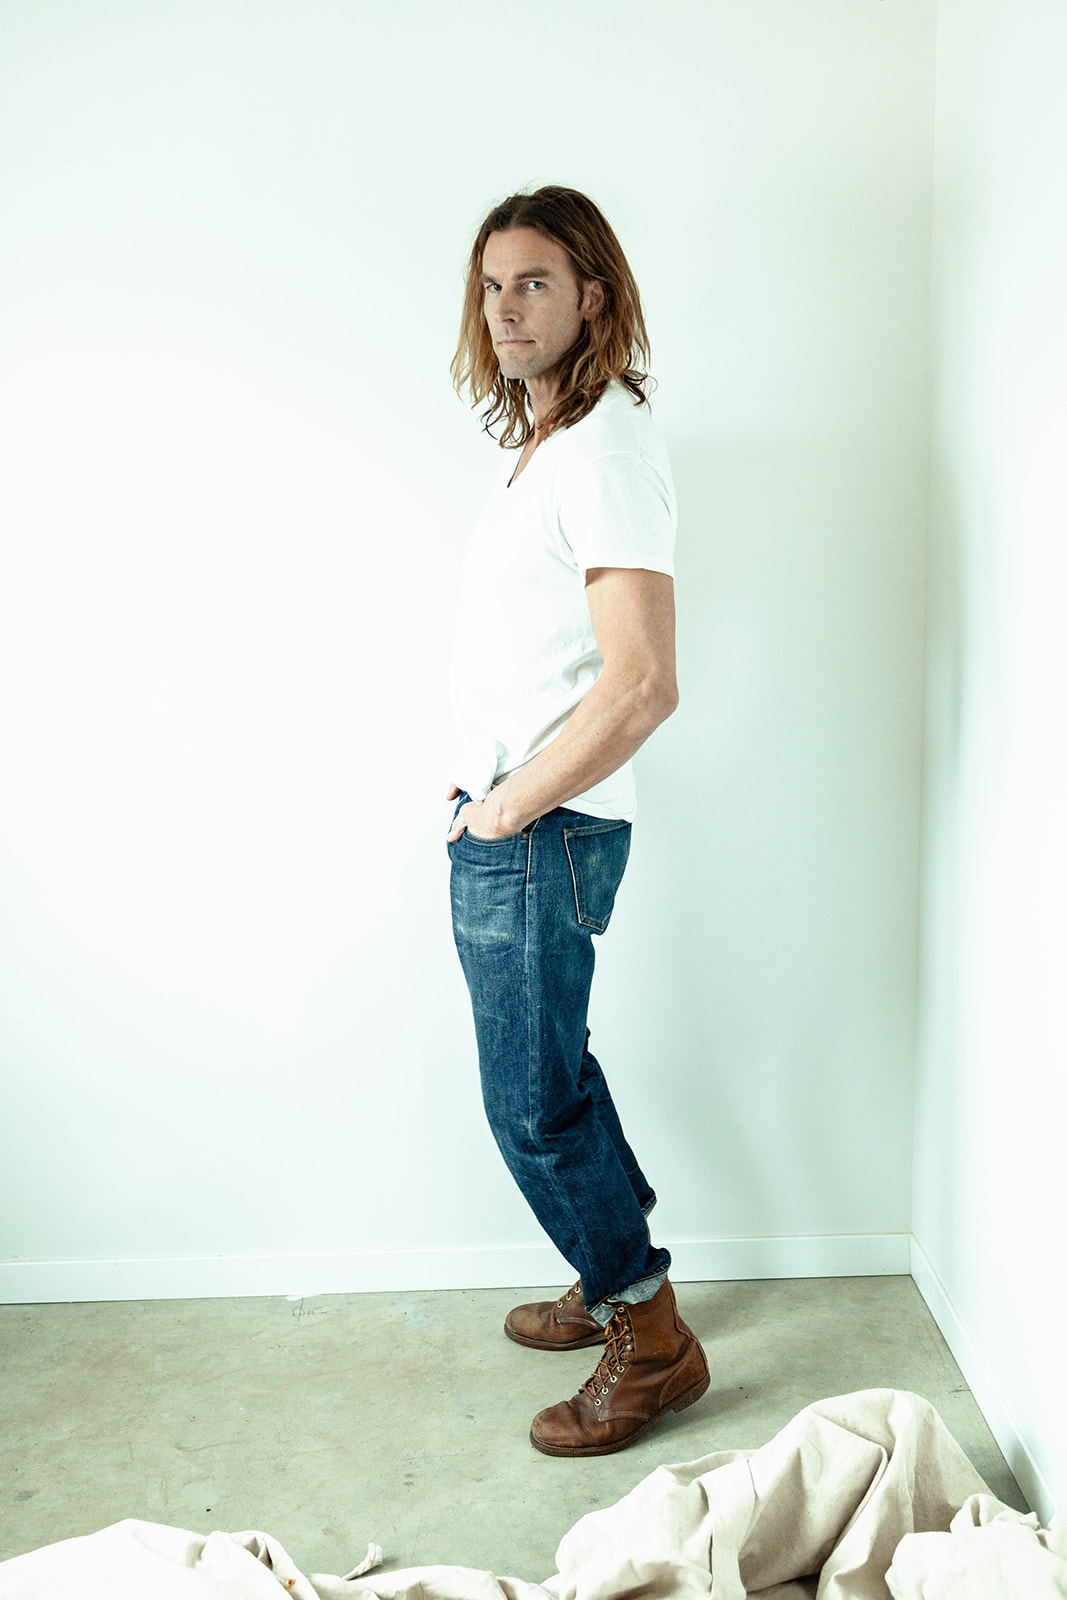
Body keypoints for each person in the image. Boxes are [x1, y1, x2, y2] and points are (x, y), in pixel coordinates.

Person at [446, 186, 708, 1457]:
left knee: (532, 1101)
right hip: (521, 823)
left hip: (540, 831)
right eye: (492, 283)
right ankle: (610, 1269)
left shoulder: (601, 450)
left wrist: (504, 806)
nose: (505, 306)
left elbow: (643, 682)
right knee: (557, 1074)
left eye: (535, 281)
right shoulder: (556, 443)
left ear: (592, 294)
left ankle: (647, 1337)